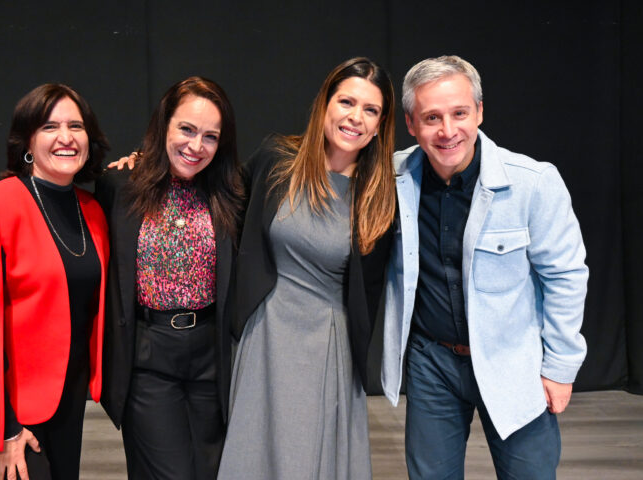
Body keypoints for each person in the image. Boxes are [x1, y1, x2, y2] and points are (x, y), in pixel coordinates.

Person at [381, 55, 589, 479]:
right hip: (432, 362)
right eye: (432, 117)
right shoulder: (391, 179)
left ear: (479, 111)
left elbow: (566, 276)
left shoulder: (533, 182)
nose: (448, 130)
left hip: (514, 360)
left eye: (459, 113)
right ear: (411, 123)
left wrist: (560, 368)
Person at [217, 57, 396, 480]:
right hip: (266, 333)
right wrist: (147, 164)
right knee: (254, 456)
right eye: (346, 102)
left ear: (380, 125)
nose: (355, 117)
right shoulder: (278, 159)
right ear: (325, 104)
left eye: (370, 110)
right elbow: (222, 200)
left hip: (326, 345)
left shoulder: (380, 195)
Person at [0, 83, 111, 480]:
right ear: (27, 142)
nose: (66, 137)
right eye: (50, 127)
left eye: (76, 126)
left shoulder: (93, 212)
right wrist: (5, 428)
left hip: (67, 400)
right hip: (7, 410)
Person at [95, 77, 244, 479]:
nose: (197, 146)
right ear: (163, 125)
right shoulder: (121, 186)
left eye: (210, 136)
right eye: (187, 129)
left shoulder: (230, 192)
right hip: (149, 357)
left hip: (211, 357)